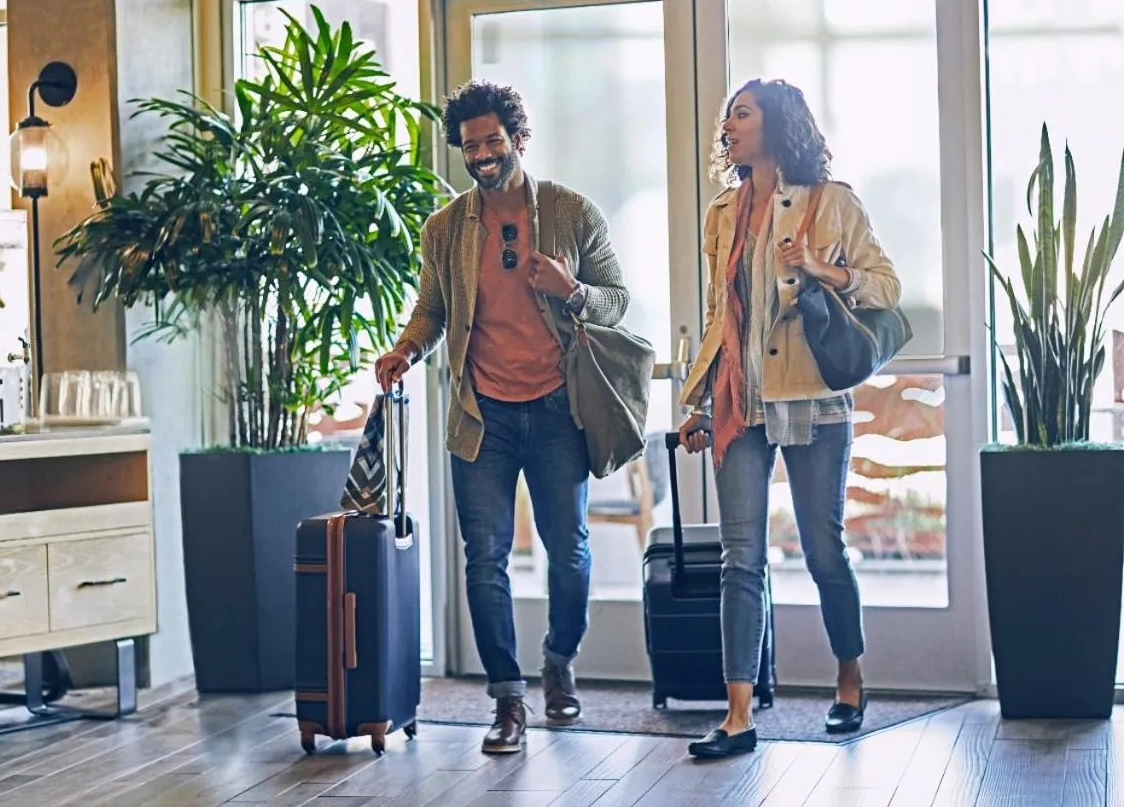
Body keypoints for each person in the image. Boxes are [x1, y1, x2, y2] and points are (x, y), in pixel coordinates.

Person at [374, 80, 632, 754]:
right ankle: (507, 700)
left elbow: (618, 300)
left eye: (493, 141)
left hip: (555, 409)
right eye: (470, 145)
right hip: (479, 414)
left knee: (569, 552)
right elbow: (433, 309)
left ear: (519, 138)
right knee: (483, 558)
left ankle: (559, 661)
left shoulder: (572, 211)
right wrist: (406, 348)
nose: (483, 155)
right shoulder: (446, 227)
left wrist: (571, 291)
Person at [676, 78, 902, 760]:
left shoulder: (832, 203)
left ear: (777, 124)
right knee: (739, 559)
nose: (729, 126)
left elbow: (886, 287)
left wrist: (820, 270)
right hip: (741, 400)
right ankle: (738, 713)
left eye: (741, 114)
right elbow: (723, 316)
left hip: (811, 396)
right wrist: (697, 398)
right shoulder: (722, 212)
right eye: (728, 117)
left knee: (822, 548)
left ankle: (849, 676)